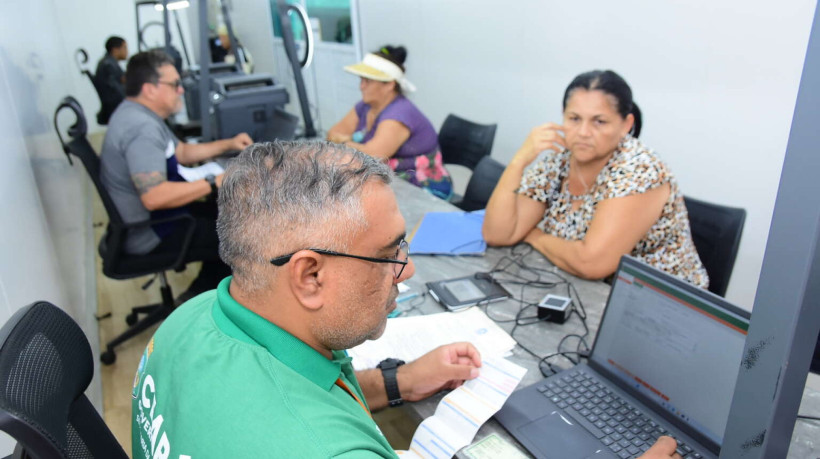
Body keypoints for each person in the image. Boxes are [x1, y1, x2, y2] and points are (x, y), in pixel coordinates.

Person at [130, 140, 682, 459]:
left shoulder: (190, 319)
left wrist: (397, 382)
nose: (408, 269)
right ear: (310, 277)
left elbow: (298, 386)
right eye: (390, 252)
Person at [483, 70, 708, 288]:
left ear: (626, 125)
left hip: (658, 303)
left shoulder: (639, 170)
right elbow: (498, 233)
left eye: (599, 122)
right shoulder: (560, 159)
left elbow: (590, 264)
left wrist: (533, 235)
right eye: (574, 119)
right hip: (584, 290)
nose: (583, 132)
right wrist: (519, 161)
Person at [100, 50, 252, 300]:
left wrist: (229, 144)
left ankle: (198, 292)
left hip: (157, 220)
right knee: (241, 235)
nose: (180, 90)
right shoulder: (142, 129)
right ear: (150, 89)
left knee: (229, 217)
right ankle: (204, 308)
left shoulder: (138, 114)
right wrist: (216, 182)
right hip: (151, 232)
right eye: (174, 85)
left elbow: (180, 152)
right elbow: (154, 196)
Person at [327, 45, 453, 200]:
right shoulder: (366, 106)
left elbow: (372, 156)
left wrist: (345, 141)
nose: (361, 86)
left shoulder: (400, 113)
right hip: (387, 180)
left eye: (367, 81)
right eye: (361, 80)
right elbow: (332, 134)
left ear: (389, 84)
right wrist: (353, 145)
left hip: (421, 188)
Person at [94, 36, 128, 124]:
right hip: (116, 108)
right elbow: (117, 91)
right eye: (124, 47)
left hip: (115, 106)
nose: (127, 51)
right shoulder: (108, 65)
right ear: (115, 49)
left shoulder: (108, 63)